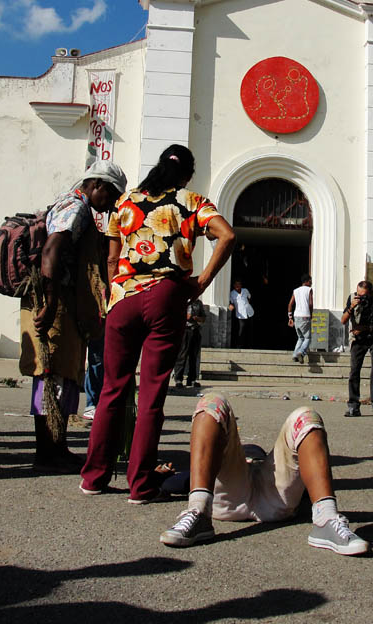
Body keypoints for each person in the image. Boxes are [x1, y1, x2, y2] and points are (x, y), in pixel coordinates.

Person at [80, 145, 236, 503]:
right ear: (186, 176)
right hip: (166, 296)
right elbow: (227, 235)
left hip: (123, 298)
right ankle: (141, 486)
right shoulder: (192, 201)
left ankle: (93, 478)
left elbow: (112, 257)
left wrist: (113, 296)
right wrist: (201, 282)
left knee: (112, 389)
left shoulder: (126, 202)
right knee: (151, 394)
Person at [159, 392, 369, 556]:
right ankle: (198, 511)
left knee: (307, 416)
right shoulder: (235, 455)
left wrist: (165, 478)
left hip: (264, 494)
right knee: (212, 402)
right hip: (249, 498)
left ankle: (326, 518)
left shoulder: (258, 456)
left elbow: (182, 481)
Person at [20, 160, 127, 472]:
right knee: (51, 375)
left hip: (64, 304)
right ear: (96, 185)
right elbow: (52, 251)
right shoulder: (76, 207)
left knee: (64, 375)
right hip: (55, 304)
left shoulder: (77, 206)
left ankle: (57, 447)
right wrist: (51, 302)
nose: (110, 203)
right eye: (110, 195)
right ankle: (47, 452)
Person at [342, 281, 373, 418]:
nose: (361, 298)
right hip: (358, 339)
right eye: (359, 294)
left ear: (371, 293)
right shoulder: (352, 298)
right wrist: (351, 307)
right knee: (354, 371)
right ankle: (353, 406)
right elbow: (343, 320)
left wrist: (367, 328)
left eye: (363, 295)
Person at [174, 299, 206, 389]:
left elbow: (203, 317)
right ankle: (178, 379)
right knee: (182, 355)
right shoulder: (182, 300)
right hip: (184, 330)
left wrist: (197, 318)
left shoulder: (198, 303)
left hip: (195, 330)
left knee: (194, 356)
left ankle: (192, 379)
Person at [287, 274, 313, 364]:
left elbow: (290, 304)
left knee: (300, 337)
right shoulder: (309, 290)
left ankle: (295, 355)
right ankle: (301, 353)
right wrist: (311, 313)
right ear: (307, 281)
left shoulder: (296, 290)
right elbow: (310, 304)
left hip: (296, 316)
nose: (311, 283)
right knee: (308, 337)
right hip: (305, 316)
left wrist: (290, 317)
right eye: (310, 281)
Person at [83, 336, 105, 420]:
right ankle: (91, 405)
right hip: (98, 328)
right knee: (97, 362)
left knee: (100, 362)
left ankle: (97, 404)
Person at [228, 279, 254, 347]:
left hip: (249, 312)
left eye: (239, 284)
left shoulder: (245, 290)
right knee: (241, 331)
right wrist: (231, 306)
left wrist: (246, 304)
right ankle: (239, 346)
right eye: (236, 284)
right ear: (234, 285)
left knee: (250, 330)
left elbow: (249, 297)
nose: (237, 286)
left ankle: (250, 345)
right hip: (240, 315)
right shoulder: (232, 293)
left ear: (241, 285)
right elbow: (231, 303)